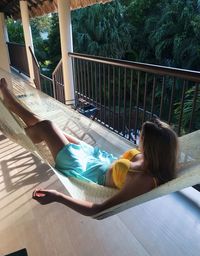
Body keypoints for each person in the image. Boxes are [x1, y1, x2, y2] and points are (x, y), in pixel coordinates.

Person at [0, 78, 178, 216]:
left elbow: (97, 209)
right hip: (95, 156)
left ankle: (20, 126)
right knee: (50, 126)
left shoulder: (144, 181)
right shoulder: (157, 158)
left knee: (47, 127)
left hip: (86, 169)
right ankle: (20, 120)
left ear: (150, 146)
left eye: (141, 137)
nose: (138, 139)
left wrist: (59, 197)